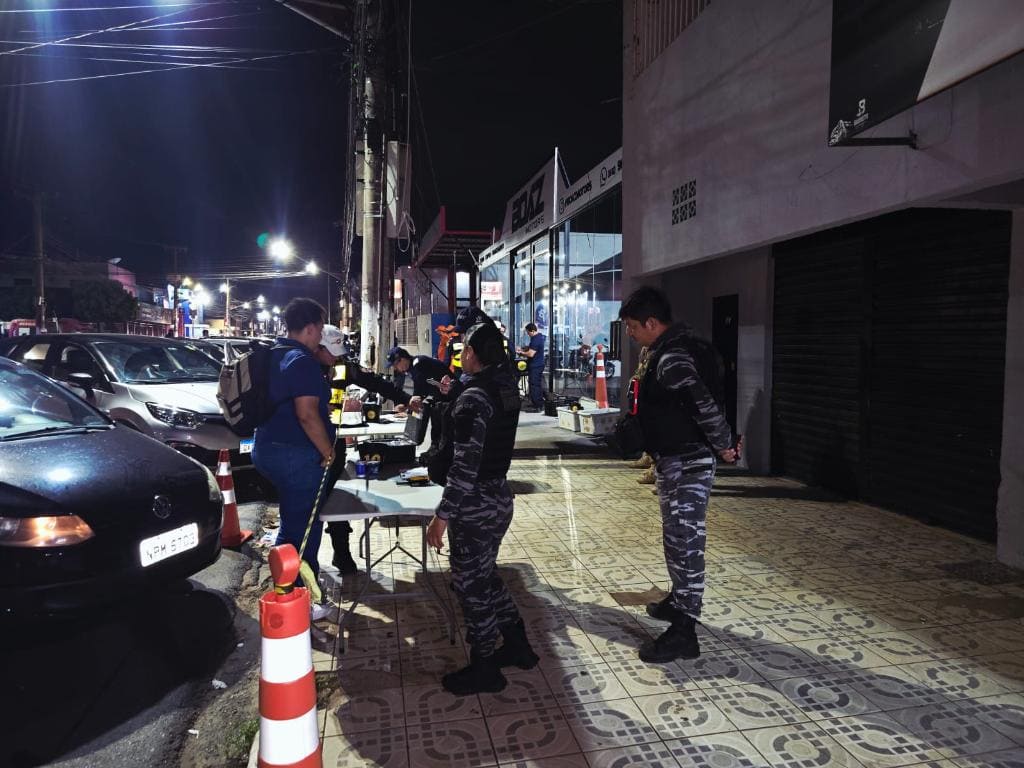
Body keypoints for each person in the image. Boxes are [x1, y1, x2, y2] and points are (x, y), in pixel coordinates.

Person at [618, 286, 740, 663]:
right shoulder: (666, 351)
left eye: (633, 326)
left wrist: (724, 446)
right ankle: (678, 599)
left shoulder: (673, 359)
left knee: (686, 541)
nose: (629, 333)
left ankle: (685, 630)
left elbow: (703, 405)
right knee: (675, 537)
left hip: (688, 461)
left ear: (652, 323)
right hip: (675, 460)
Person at [425, 321, 536, 695]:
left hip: (474, 505)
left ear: (472, 353)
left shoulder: (475, 397)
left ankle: (485, 666)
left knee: (470, 586)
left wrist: (442, 516)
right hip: (498, 497)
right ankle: (519, 645)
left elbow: (465, 465)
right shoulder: (504, 388)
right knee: (485, 577)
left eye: (464, 349)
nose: (461, 355)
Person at [252, 298, 335, 622]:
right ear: (311, 327)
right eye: (319, 330)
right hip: (295, 455)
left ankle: (287, 587)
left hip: (267, 448)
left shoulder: (274, 354)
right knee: (303, 531)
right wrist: (327, 452)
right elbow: (307, 415)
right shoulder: (301, 361)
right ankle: (301, 598)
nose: (319, 338)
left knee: (291, 523)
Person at [517, 322, 545, 411]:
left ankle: (537, 405)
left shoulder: (535, 340)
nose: (528, 334)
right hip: (538, 364)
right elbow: (532, 349)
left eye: (528, 332)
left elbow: (531, 354)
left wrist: (521, 352)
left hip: (536, 365)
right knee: (536, 384)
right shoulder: (538, 337)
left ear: (532, 331)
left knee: (534, 385)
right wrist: (524, 348)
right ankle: (538, 403)